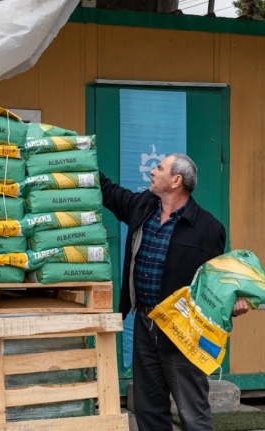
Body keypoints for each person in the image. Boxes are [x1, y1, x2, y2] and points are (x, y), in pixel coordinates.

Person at [100, 153, 249, 431]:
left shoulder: (207, 228)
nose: (153, 172)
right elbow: (109, 192)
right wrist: (80, 161)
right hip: (145, 324)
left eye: (159, 168)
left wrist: (235, 301)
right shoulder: (143, 206)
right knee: (148, 408)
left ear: (175, 181)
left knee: (192, 413)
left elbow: (217, 280)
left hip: (182, 331)